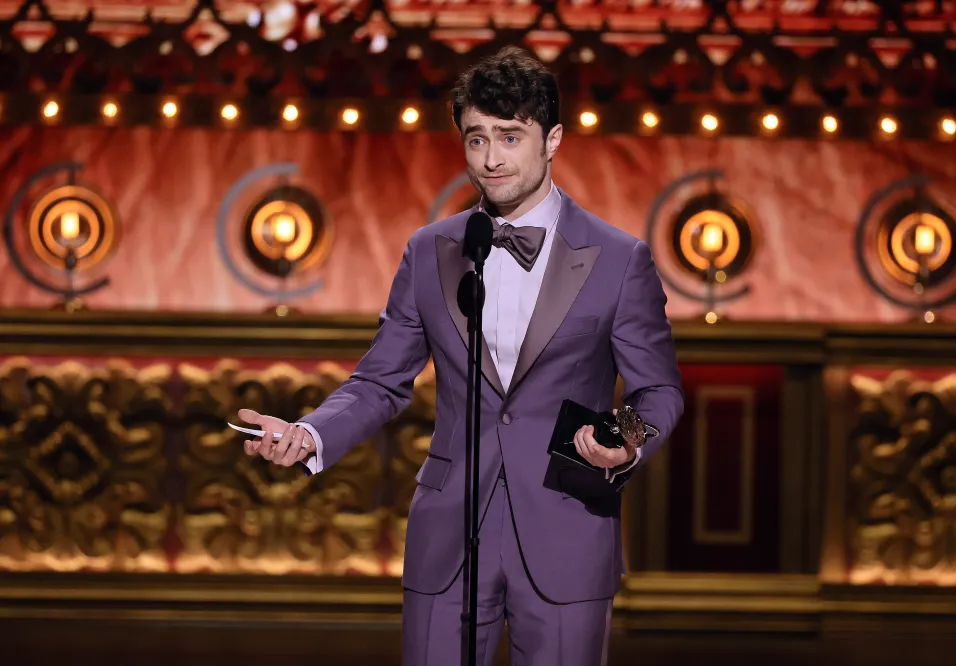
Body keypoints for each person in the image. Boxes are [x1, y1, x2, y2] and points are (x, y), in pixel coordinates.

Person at [239, 45, 684, 666]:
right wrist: (312, 433)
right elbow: (380, 381)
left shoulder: (617, 258)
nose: (491, 158)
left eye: (510, 136)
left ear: (552, 139)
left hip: (567, 521)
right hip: (450, 531)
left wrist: (626, 441)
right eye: (476, 139)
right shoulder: (430, 251)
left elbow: (658, 390)